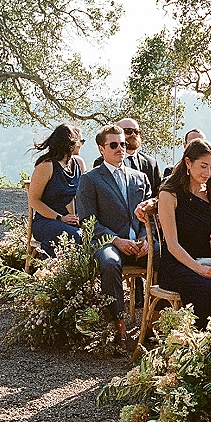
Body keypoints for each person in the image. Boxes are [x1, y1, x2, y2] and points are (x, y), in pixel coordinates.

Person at [77, 125, 153, 347]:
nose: (120, 148)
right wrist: (117, 240)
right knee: (109, 262)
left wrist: (147, 239)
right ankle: (119, 326)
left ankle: (153, 323)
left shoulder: (140, 177)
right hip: (108, 242)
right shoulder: (90, 180)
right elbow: (88, 221)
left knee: (166, 254)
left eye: (123, 144)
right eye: (114, 145)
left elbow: (150, 216)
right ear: (102, 149)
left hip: (139, 241)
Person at [158, 139, 211, 329]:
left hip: (208, 261)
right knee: (205, 288)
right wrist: (199, 269)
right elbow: (172, 244)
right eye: (203, 166)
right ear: (188, 162)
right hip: (177, 264)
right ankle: (197, 341)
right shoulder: (169, 194)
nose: (208, 173)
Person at [28, 124, 83, 255]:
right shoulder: (46, 165)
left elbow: (83, 195)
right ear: (70, 143)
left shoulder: (79, 163)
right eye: (81, 141)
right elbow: (34, 200)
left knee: (96, 234)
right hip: (47, 221)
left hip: (72, 220)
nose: (81, 145)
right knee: (76, 235)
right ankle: (52, 269)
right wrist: (60, 218)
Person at [94, 118, 162, 196]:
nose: (133, 134)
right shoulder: (102, 162)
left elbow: (157, 193)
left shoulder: (151, 163)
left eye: (137, 132)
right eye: (128, 131)